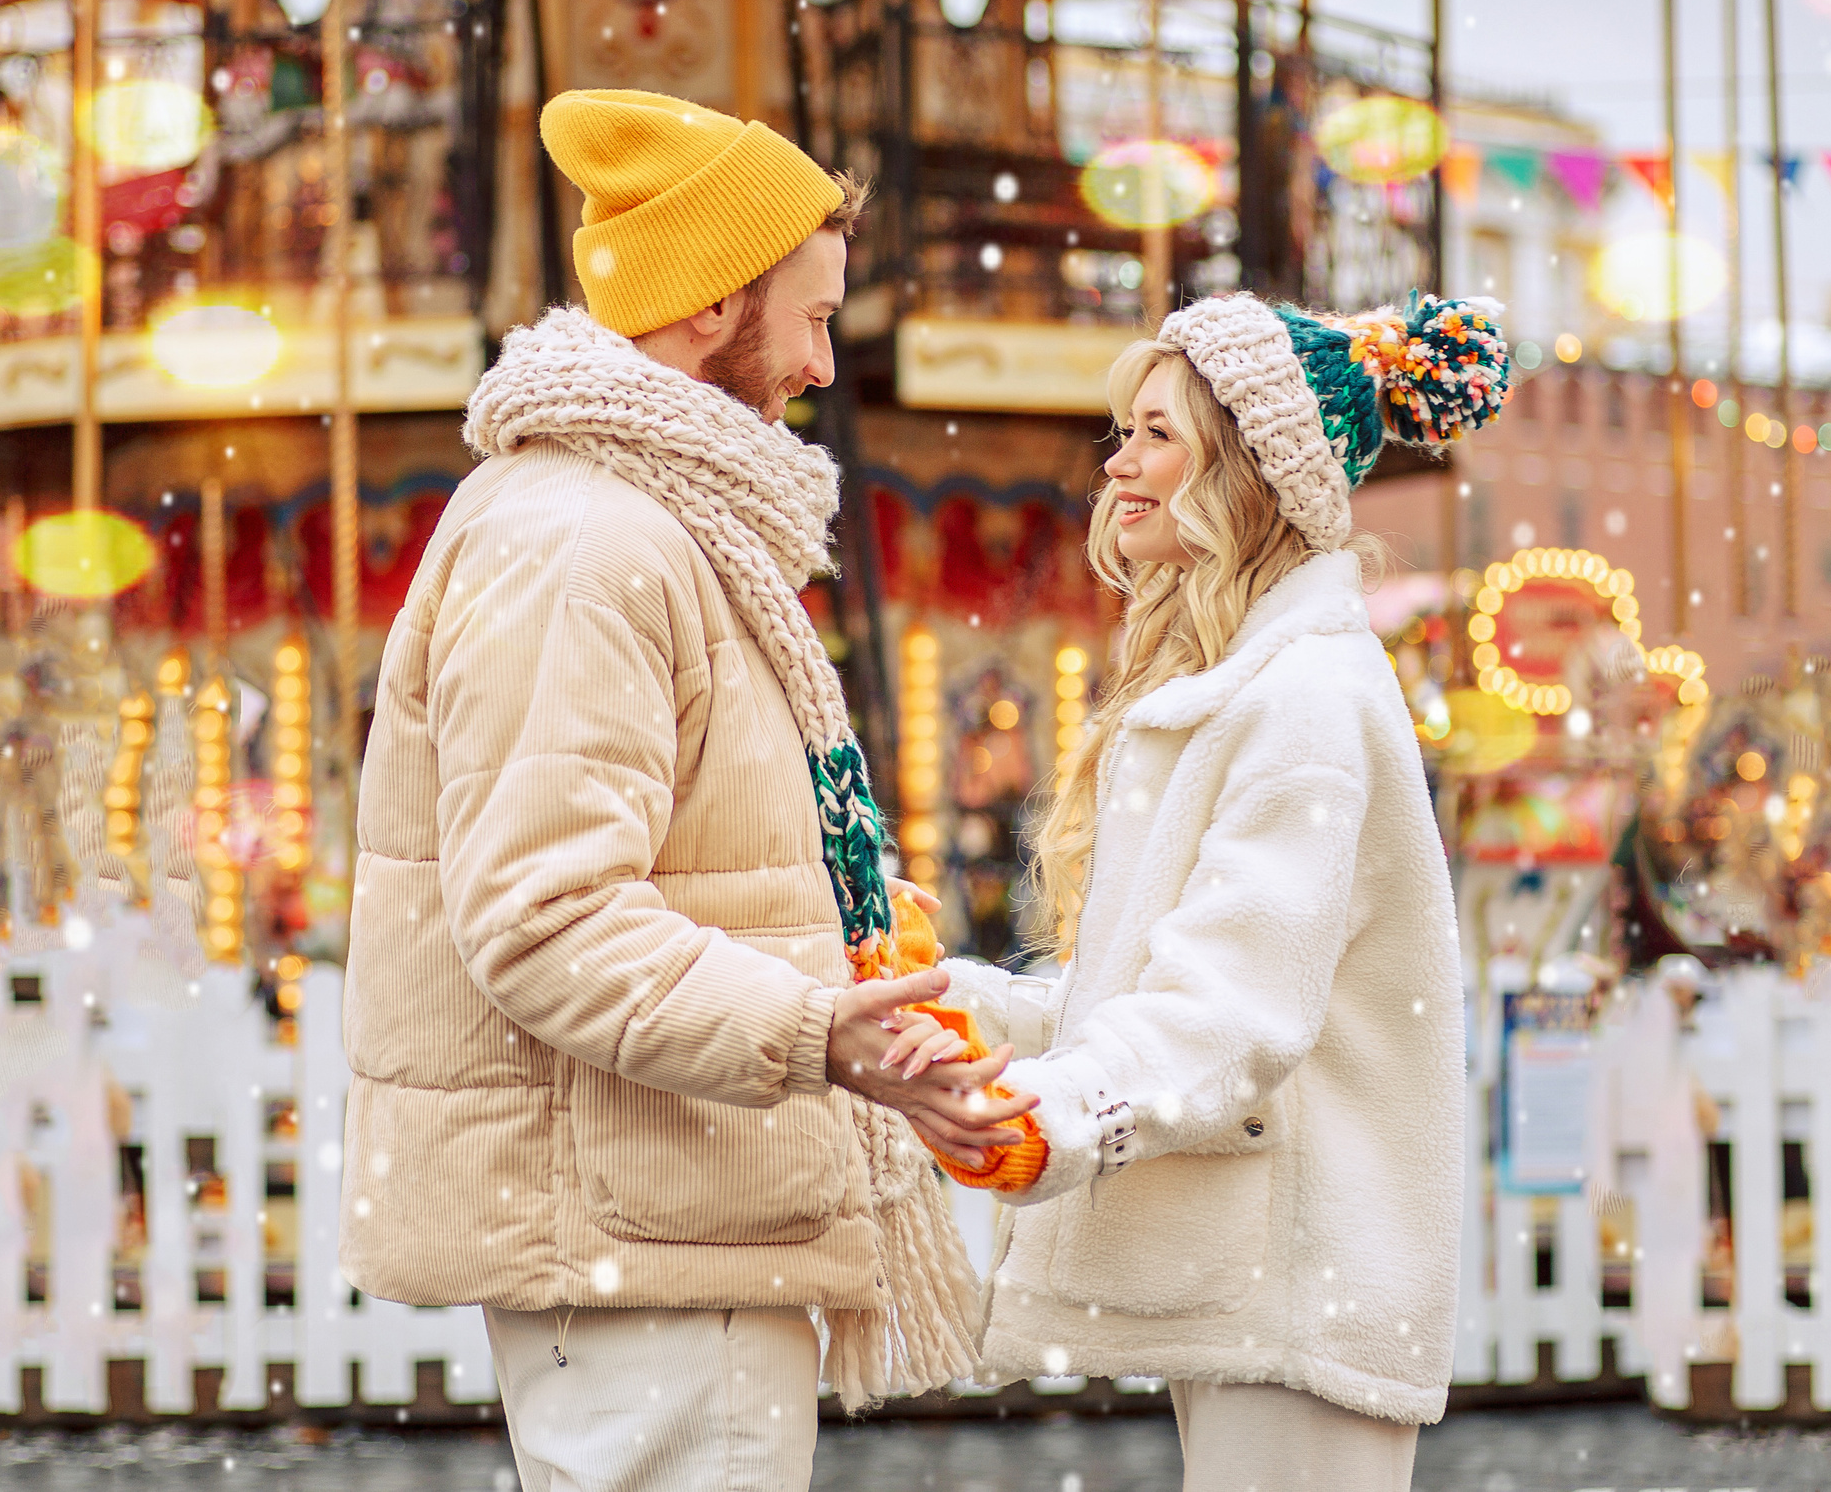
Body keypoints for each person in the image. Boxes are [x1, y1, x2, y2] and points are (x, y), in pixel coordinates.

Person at [337, 88, 1031, 1492]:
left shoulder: (638, 526)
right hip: (644, 1211)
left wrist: (867, 999)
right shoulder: (591, 543)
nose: (824, 367)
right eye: (815, 316)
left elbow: (702, 866)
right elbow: (545, 917)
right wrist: (810, 1030)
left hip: (663, 1201)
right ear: (711, 308)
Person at [889, 291, 1509, 1488]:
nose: (1117, 462)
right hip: (1273, 1270)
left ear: (1248, 471)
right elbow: (1169, 972)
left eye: (1156, 434)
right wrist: (978, 1013)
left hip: (1302, 1272)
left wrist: (1057, 1113)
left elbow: (1237, 1004)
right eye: (1123, 431)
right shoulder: (1250, 687)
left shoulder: (1304, 703)